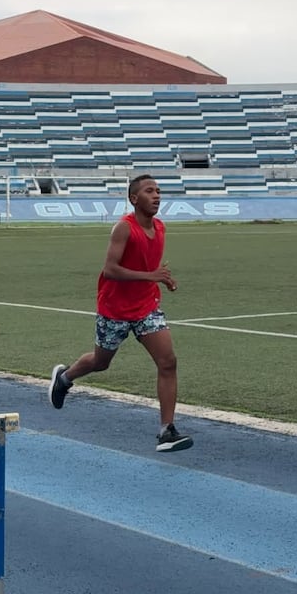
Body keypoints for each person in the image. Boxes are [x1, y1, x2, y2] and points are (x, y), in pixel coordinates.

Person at [48, 174, 193, 452]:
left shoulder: (160, 228)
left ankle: (167, 431)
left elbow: (148, 267)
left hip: (146, 308)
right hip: (114, 309)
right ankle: (64, 378)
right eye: (149, 191)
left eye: (159, 191)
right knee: (101, 362)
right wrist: (152, 275)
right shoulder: (123, 229)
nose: (156, 196)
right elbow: (110, 270)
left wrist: (162, 279)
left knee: (168, 362)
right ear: (134, 199)